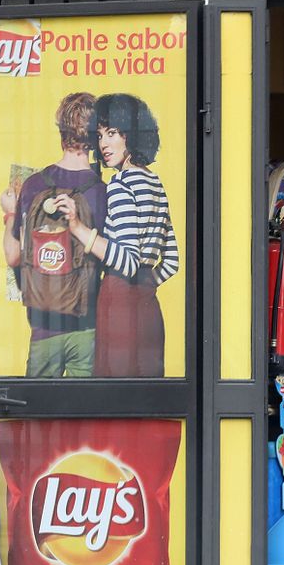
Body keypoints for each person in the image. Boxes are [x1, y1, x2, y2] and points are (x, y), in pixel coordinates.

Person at [54, 93, 180, 378]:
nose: (104, 144)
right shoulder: (155, 182)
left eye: (112, 133)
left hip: (119, 307)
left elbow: (128, 262)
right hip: (149, 311)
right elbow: (172, 262)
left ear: (131, 134)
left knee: (115, 398)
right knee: (147, 400)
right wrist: (145, 287)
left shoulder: (120, 185)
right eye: (99, 135)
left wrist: (77, 228)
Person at [0, 92, 105, 377]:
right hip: (87, 327)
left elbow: (13, 256)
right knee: (84, 419)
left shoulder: (33, 185)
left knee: (42, 419)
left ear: (61, 133)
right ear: (95, 138)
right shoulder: (101, 191)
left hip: (42, 327)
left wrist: (9, 213)